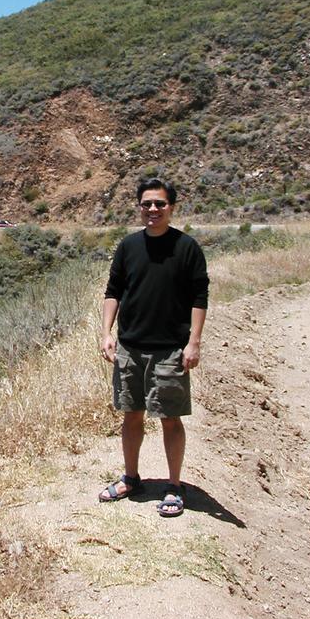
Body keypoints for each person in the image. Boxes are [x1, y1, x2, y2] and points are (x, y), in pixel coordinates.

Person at [98, 177, 209, 517]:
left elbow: (199, 296)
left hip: (170, 350)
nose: (153, 209)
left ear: (171, 207)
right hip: (130, 348)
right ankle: (131, 478)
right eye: (147, 203)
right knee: (131, 416)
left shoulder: (187, 247)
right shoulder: (129, 246)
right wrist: (106, 332)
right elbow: (113, 290)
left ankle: (174, 487)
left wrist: (193, 343)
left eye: (160, 203)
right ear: (139, 207)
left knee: (170, 419)